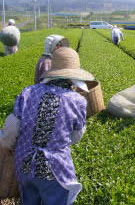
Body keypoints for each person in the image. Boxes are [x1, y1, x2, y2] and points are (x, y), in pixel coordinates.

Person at [0, 47, 95, 205]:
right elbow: (76, 137)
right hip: (54, 169)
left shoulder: (29, 92)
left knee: (29, 200)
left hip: (24, 165)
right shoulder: (77, 100)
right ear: (73, 78)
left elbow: (10, 130)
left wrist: (7, 146)